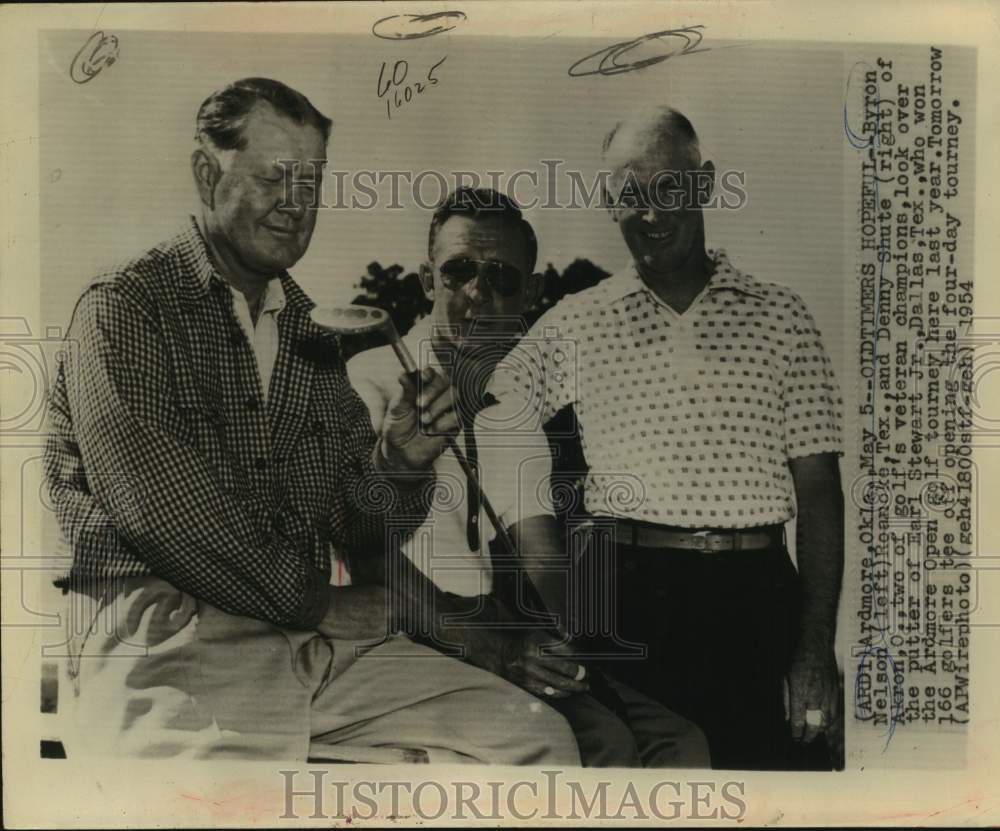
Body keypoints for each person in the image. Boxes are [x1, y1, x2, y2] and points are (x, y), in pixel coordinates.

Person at [42, 78, 579, 765]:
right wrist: (321, 604)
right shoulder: (127, 308)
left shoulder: (311, 329)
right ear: (207, 173)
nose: (297, 204)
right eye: (275, 176)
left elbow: (355, 522)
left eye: (313, 181)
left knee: (536, 736)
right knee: (221, 802)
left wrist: (400, 464)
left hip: (309, 646)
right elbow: (168, 518)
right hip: (165, 642)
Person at [485, 106, 845, 770]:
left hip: (758, 599)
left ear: (704, 184)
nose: (650, 212)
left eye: (669, 188)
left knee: (779, 794)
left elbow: (820, 495)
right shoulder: (579, 319)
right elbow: (492, 408)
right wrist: (543, 561)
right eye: (629, 192)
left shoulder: (783, 317)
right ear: (607, 200)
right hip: (630, 602)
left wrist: (815, 648)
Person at [347, 187, 709, 768]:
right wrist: (496, 646)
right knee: (606, 746)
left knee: (680, 743)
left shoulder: (510, 410)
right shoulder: (366, 381)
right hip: (405, 634)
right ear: (425, 281)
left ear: (531, 295)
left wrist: (564, 649)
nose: (475, 295)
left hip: (493, 629)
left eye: (501, 279)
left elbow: (541, 557)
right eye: (458, 271)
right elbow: (365, 555)